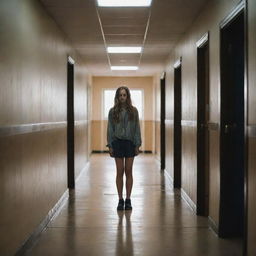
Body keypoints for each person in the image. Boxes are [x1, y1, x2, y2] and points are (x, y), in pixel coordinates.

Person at [107, 86, 142, 211]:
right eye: (120, 95)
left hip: (130, 144)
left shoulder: (134, 111)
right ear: (117, 97)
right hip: (117, 143)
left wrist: (137, 144)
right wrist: (110, 145)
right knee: (119, 171)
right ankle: (120, 199)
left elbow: (137, 128)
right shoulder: (112, 112)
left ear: (128, 97)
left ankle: (128, 199)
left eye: (124, 95)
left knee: (128, 171)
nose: (122, 97)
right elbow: (110, 129)